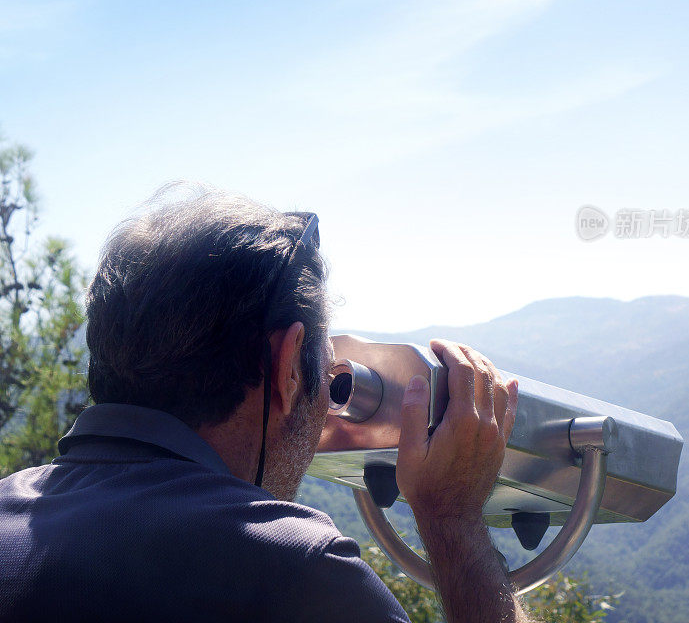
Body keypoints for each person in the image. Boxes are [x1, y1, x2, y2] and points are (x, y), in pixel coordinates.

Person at [0, 186, 527, 623]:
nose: (325, 402)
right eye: (329, 377)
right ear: (289, 366)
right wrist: (453, 517)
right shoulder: (294, 574)